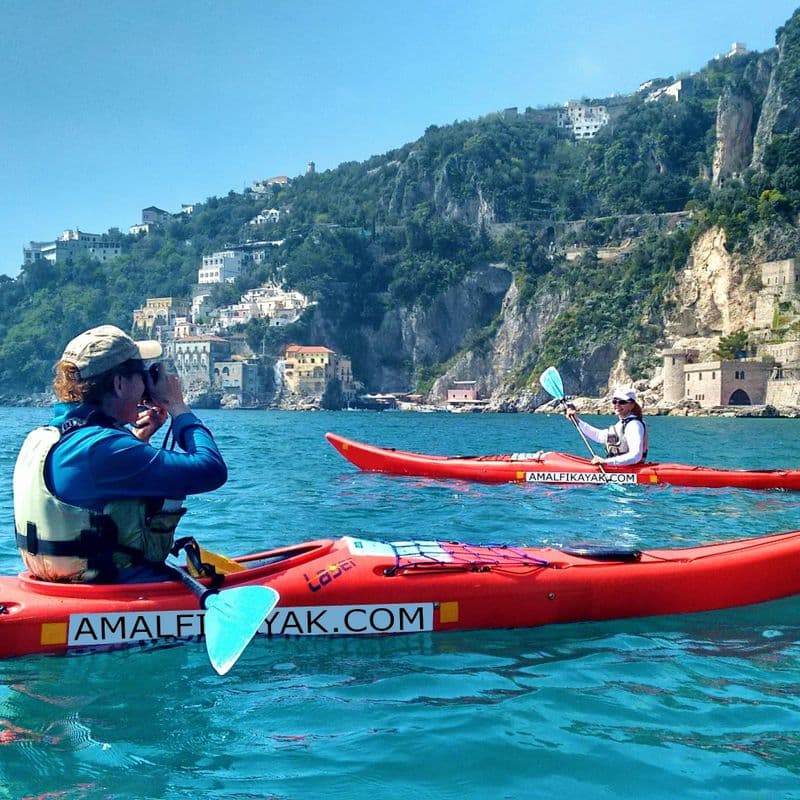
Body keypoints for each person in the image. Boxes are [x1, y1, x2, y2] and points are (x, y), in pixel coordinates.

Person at [13, 324, 227, 584]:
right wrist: (178, 408)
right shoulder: (105, 449)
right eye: (141, 374)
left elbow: (92, 489)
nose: (146, 385)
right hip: (121, 588)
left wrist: (138, 441)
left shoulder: (49, 438)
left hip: (59, 583)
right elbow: (211, 470)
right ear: (118, 383)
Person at [564, 385, 648, 467]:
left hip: (631, 473)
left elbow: (636, 456)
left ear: (632, 405)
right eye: (615, 401)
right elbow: (598, 436)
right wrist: (577, 421)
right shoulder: (622, 424)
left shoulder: (633, 425)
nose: (617, 405)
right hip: (619, 471)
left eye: (622, 402)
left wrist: (606, 462)